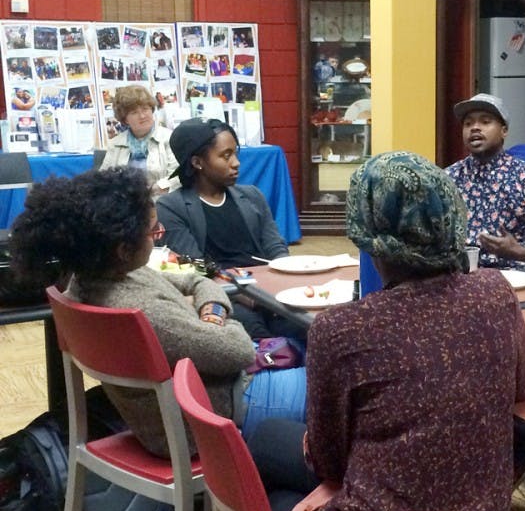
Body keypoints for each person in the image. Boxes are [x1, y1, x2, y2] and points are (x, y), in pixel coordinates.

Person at [7, 167, 307, 454]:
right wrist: (214, 317)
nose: (160, 233)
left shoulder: (97, 278)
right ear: (123, 249)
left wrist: (209, 314)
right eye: (154, 231)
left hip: (195, 403)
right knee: (342, 382)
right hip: (216, 411)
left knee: (313, 350)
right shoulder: (142, 310)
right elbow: (239, 350)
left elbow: (193, 279)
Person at [305, 151, 525, 511]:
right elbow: (522, 388)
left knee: (270, 452)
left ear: (366, 234)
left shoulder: (339, 330)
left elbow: (328, 462)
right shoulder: (495, 291)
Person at [156, 117, 296, 339]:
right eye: (225, 155)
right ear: (197, 162)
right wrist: (242, 290)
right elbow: (192, 263)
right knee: (256, 334)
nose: (236, 162)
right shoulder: (171, 207)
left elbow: (275, 246)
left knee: (306, 325)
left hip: (265, 287)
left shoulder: (251, 196)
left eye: (235, 153)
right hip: (221, 292)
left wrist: (284, 279)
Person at [446, 93, 525, 287]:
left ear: (504, 130)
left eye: (485, 121)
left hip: (518, 276)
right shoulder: (448, 179)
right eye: (468, 123)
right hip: (461, 279)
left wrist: (520, 252)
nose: (475, 128)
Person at [100, 85, 179, 195]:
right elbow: (103, 179)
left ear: (152, 110)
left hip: (162, 202)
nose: (142, 116)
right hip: (124, 204)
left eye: (145, 109)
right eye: (134, 112)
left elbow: (178, 176)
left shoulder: (169, 138)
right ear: (125, 119)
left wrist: (154, 189)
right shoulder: (115, 143)